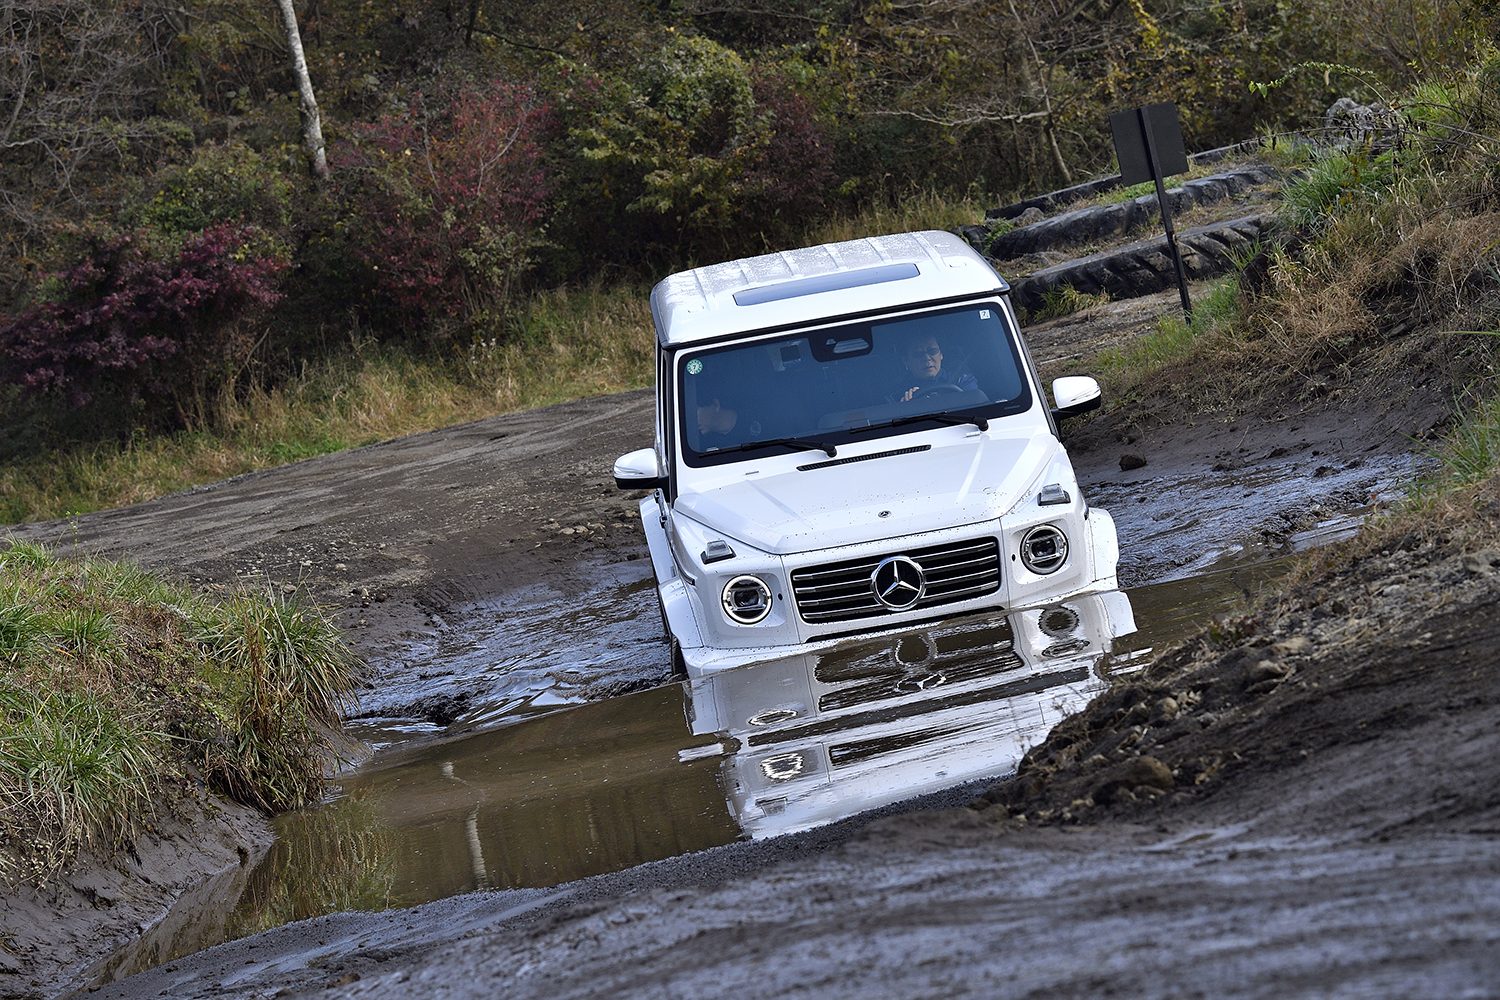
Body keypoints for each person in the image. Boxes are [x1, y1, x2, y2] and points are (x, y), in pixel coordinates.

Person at [891, 335, 977, 403]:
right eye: (917, 353)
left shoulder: (963, 381)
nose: (927, 358)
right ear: (906, 361)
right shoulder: (896, 396)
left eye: (932, 350)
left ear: (941, 354)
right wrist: (905, 408)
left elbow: (974, 409)